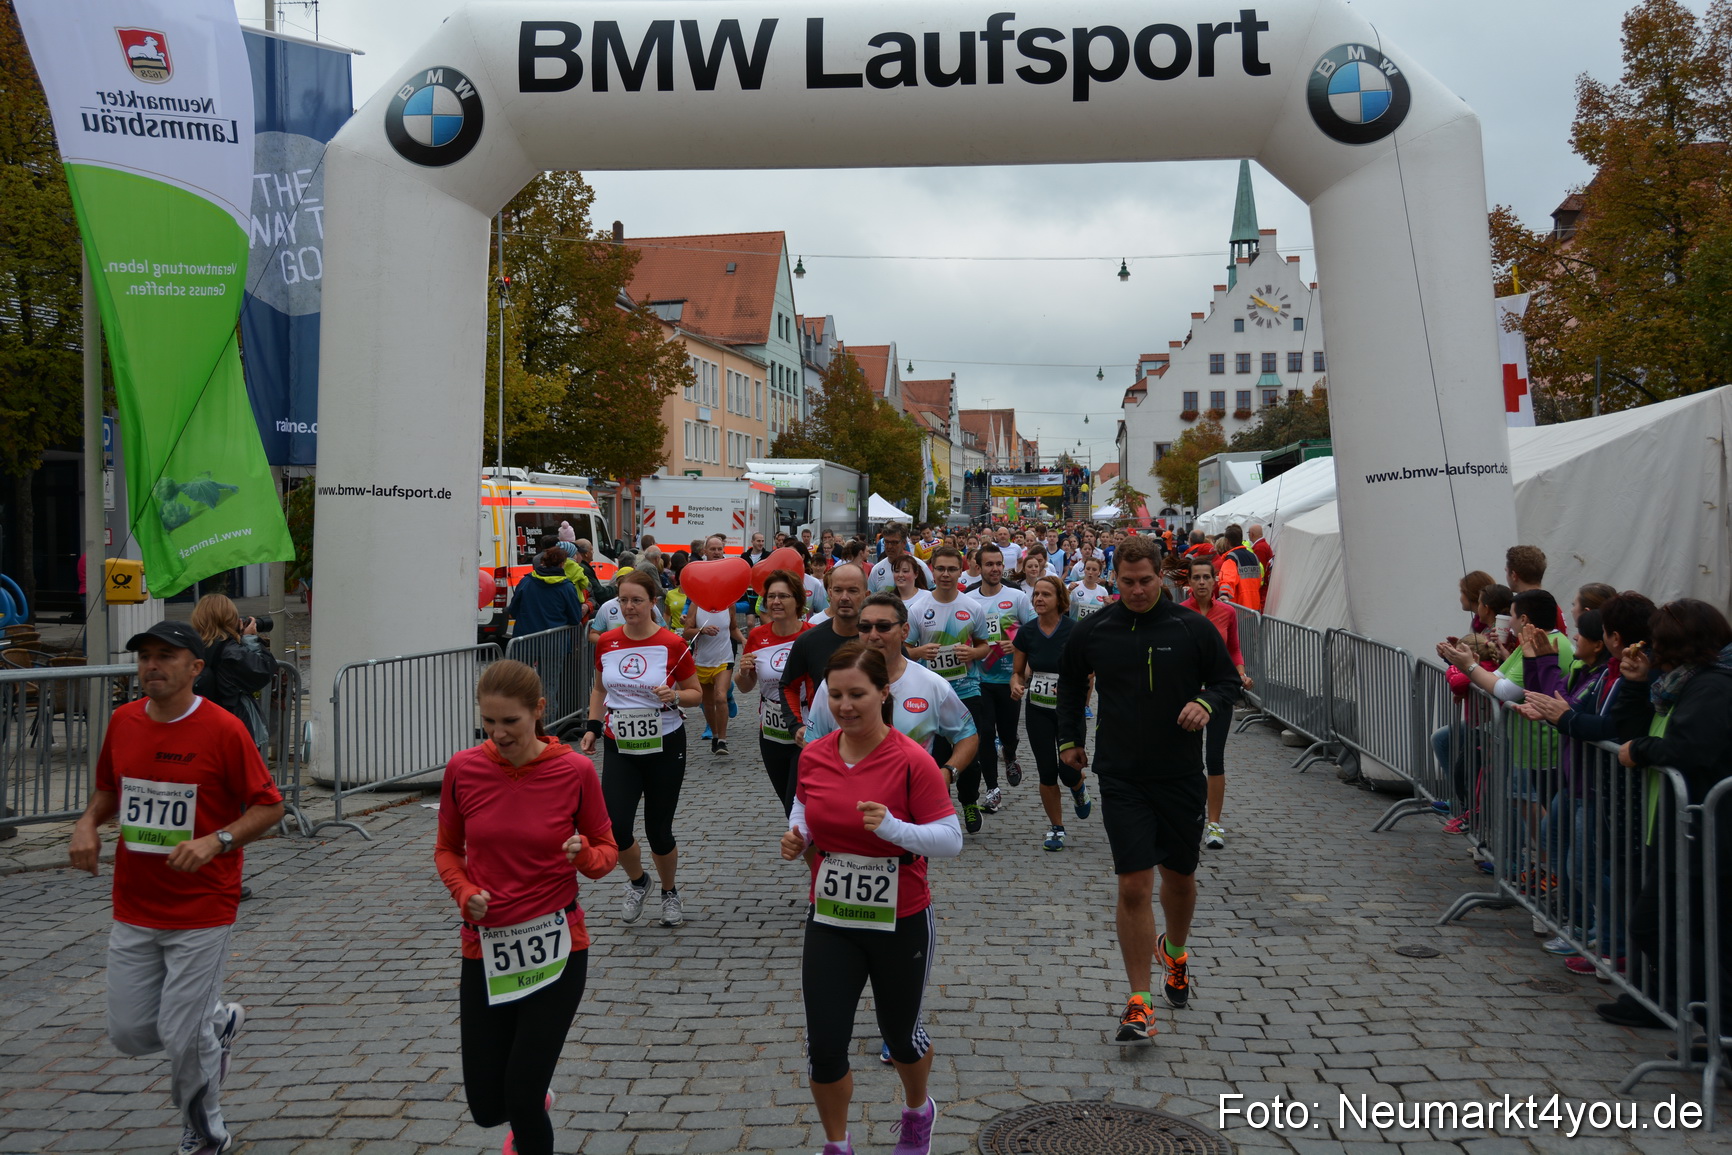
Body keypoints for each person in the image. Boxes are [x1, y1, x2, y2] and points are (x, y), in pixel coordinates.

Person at [68, 620, 285, 1155]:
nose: (152, 666)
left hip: (202, 907)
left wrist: (219, 840)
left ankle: (205, 1131)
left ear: (195, 667)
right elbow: (106, 790)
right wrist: (86, 823)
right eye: (145, 657)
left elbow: (270, 807)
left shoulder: (222, 729)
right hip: (135, 904)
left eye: (166, 656)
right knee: (131, 1033)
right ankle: (220, 1019)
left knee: (183, 1040)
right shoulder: (123, 722)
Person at [1053, 536, 1238, 1042]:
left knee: (1178, 878)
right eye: (1127, 582)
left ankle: (1174, 951)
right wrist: (1069, 739)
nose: (1136, 591)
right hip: (1121, 773)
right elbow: (1070, 683)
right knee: (1134, 884)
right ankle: (1139, 1000)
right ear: (1115, 577)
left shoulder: (1192, 627)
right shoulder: (1097, 629)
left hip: (1178, 773)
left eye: (1145, 581)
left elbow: (1228, 682)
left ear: (1163, 577)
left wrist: (1207, 703)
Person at [781, 644, 962, 1155]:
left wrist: (895, 828)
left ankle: (917, 1111)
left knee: (901, 1038)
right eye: (834, 695)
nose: (844, 705)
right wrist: (798, 835)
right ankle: (837, 1145)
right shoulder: (815, 755)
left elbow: (950, 839)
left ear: (884, 693)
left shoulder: (911, 761)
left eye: (857, 694)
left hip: (900, 918)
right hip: (832, 916)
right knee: (825, 1048)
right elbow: (804, 804)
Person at [436, 660, 618, 1155]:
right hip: (485, 949)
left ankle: (531, 1105)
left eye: (510, 722)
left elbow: (607, 852)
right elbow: (447, 850)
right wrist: (462, 891)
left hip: (557, 948)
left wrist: (585, 854)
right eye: (488, 722)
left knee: (520, 1092)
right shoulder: (463, 769)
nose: (498, 734)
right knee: (487, 1107)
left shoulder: (574, 770)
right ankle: (533, 1100)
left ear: (539, 711)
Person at [1607, 598, 1732, 1037]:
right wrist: (1638, 685)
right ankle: (1713, 1031)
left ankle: (1719, 1029)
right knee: (1678, 927)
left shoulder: (1712, 686)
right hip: (1681, 823)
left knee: (1660, 924)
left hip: (1707, 830)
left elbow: (1688, 750)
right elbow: (1635, 728)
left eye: (1658, 642)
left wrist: (1640, 751)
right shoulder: (1679, 685)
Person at [581, 570, 702, 928]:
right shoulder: (607, 642)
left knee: (658, 829)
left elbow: (695, 693)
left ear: (653, 602)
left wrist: (676, 695)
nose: (629, 607)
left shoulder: (672, 644)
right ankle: (639, 882)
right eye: (623, 600)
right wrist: (591, 728)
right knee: (614, 827)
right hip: (620, 744)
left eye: (637, 600)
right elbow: (600, 689)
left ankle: (669, 892)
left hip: (665, 743)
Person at [804, 594, 977, 783]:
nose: (873, 635)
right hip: (849, 801)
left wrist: (947, 773)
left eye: (883, 627)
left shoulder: (932, 684)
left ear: (904, 631)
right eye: (865, 627)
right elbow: (812, 742)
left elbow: (967, 735)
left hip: (910, 802)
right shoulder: (833, 685)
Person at [907, 547, 994, 832]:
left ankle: (969, 803)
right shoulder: (918, 609)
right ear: (931, 570)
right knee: (934, 754)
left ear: (962, 570)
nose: (946, 574)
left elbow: (984, 646)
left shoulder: (972, 607)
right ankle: (940, 809)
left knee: (969, 752)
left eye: (952, 569)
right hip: (930, 694)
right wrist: (918, 651)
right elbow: (903, 648)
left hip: (967, 691)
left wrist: (973, 655)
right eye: (941, 569)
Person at [1010, 576, 1090, 851]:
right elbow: (1018, 672)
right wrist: (1016, 685)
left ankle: (1077, 787)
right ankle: (1057, 827)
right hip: (1038, 710)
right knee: (1046, 771)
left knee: (1067, 771)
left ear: (1060, 600)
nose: (1039, 599)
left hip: (1069, 712)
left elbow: (1089, 674)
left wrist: (1078, 701)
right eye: (1036, 595)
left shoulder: (1075, 631)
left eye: (1046, 594)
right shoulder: (1027, 632)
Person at [1178, 560, 1253, 851]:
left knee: (1215, 758)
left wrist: (1241, 672)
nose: (1201, 582)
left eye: (1206, 577)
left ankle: (1214, 824)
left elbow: (1233, 648)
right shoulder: (1181, 612)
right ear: (1189, 582)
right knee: (1189, 760)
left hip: (1219, 694)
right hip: (1189, 696)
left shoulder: (1227, 612)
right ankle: (1189, 815)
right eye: (1196, 577)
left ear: (1214, 581)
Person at [964, 543, 1035, 813]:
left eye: (998, 564)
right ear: (978, 567)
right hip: (978, 680)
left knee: (1007, 734)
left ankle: (1011, 752)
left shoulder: (1016, 596)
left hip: (1008, 679)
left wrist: (1016, 647)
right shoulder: (969, 599)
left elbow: (1031, 634)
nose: (995, 569)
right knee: (983, 734)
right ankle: (993, 789)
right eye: (989, 564)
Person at [736, 570, 813, 814]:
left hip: (806, 729)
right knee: (788, 806)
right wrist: (743, 672)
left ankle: (819, 849)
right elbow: (746, 687)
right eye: (771, 597)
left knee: (797, 806)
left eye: (783, 596)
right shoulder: (758, 636)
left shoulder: (811, 635)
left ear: (798, 600)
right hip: (770, 731)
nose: (776, 602)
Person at [781, 564, 868, 740]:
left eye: (852, 590)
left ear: (866, 595)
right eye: (838, 590)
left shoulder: (881, 639)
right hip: (823, 741)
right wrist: (796, 725)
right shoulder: (809, 640)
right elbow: (788, 686)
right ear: (829, 593)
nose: (844, 597)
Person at [188, 594, 277, 752]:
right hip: (232, 724)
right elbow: (262, 671)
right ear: (229, 619)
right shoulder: (230, 651)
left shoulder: (192, 648)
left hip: (201, 723)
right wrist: (250, 638)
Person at [683, 538, 744, 755]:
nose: (717, 552)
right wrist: (701, 631)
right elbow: (687, 631)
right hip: (702, 659)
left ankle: (723, 741)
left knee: (720, 696)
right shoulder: (697, 602)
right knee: (707, 703)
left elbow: (735, 629)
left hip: (724, 657)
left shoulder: (729, 603)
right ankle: (715, 734)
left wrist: (748, 643)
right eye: (713, 549)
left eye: (720, 549)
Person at [511, 544, 589, 637]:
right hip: (555, 643)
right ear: (562, 564)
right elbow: (575, 618)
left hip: (526, 642)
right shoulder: (566, 587)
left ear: (543, 562)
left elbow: (513, 610)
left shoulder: (526, 581)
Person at [867, 524, 933, 594]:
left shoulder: (919, 565)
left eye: (894, 543)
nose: (889, 546)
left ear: (904, 543)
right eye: (886, 542)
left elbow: (932, 592)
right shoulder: (876, 569)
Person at [1214, 525, 1264, 614]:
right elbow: (1259, 580)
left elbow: (1228, 580)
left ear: (1227, 541)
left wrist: (1224, 595)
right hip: (1254, 607)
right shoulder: (1254, 557)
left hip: (1239, 609)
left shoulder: (1231, 559)